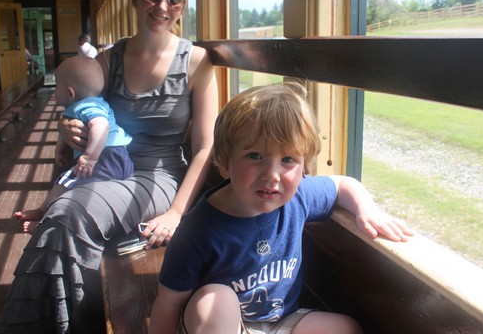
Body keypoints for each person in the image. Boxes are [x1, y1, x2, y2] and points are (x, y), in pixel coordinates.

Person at [0, 0, 218, 334]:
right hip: (110, 167)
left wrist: (177, 212)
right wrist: (67, 128)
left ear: (182, 8)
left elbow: (205, 147)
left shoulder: (196, 62)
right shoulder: (109, 59)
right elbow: (80, 110)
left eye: (174, 0)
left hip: (159, 176)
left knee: (67, 214)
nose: (162, 7)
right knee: (63, 215)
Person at [149, 82, 413, 334]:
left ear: (304, 169)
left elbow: (344, 184)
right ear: (224, 162)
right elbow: (168, 302)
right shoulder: (197, 231)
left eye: (288, 159)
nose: (272, 175)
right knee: (214, 300)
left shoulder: (299, 196)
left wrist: (368, 211)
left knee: (346, 328)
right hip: (219, 324)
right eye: (255, 156)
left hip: (280, 320)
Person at [14, 56, 133, 234]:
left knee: (65, 185)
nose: (54, 91)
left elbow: (101, 126)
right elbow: (65, 133)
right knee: (67, 183)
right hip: (117, 157)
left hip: (105, 157)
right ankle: (43, 211)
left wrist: (89, 158)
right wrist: (59, 151)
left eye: (56, 87)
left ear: (70, 93)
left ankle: (45, 221)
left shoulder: (85, 107)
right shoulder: (92, 103)